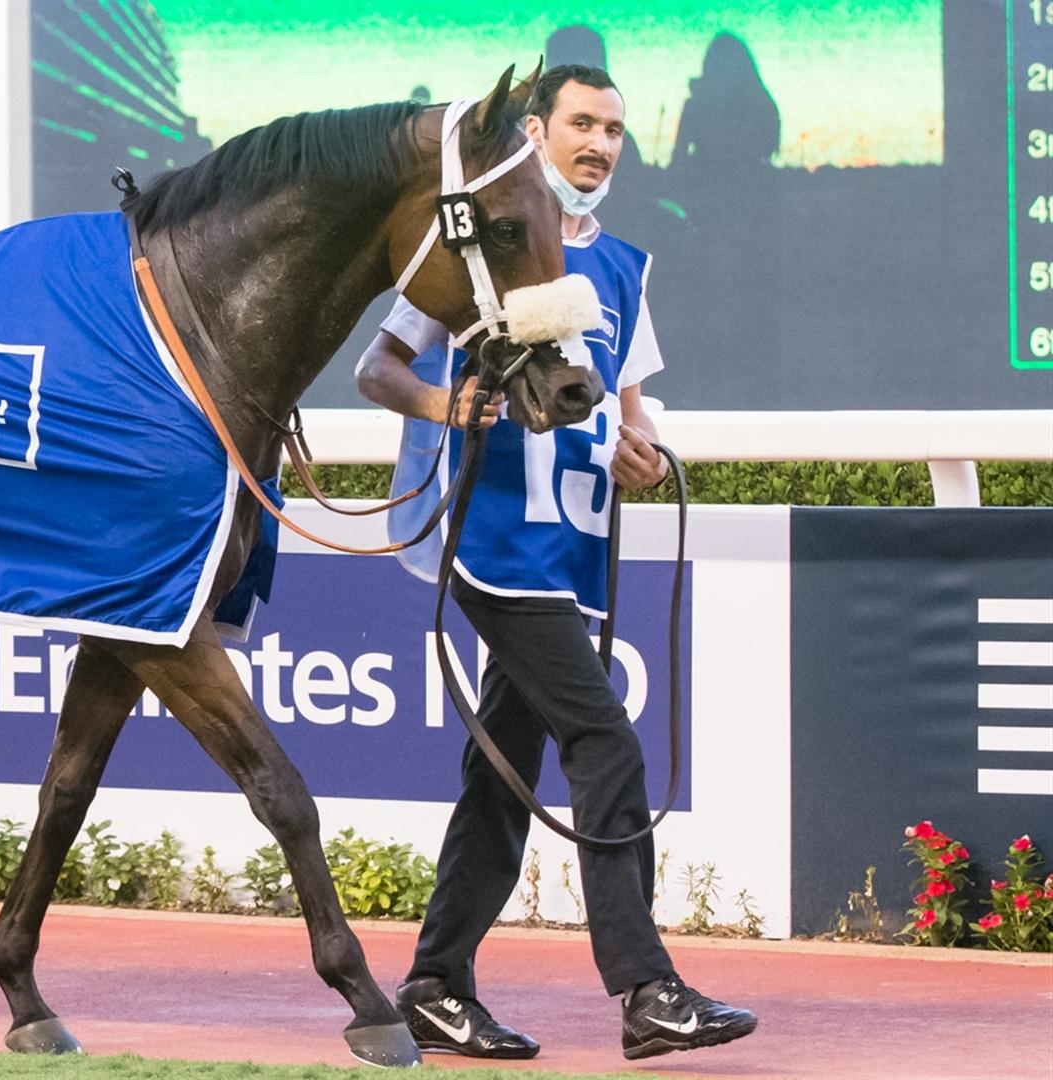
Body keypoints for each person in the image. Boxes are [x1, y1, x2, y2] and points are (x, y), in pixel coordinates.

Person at [354, 65, 758, 1062]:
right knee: (606, 746)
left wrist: (645, 455)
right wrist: (449, 407)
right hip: (495, 548)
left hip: (569, 555)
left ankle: (436, 985)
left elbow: (630, 415)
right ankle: (646, 988)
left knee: (502, 779)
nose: (601, 144)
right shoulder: (475, 241)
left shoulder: (623, 269)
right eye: (583, 123)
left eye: (616, 129)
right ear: (536, 128)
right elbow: (379, 368)